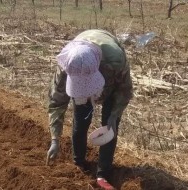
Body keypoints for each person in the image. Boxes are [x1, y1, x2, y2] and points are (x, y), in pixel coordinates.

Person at [46, 29, 133, 189]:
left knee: (109, 127)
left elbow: (124, 91)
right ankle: (78, 162)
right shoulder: (67, 66)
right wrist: (55, 139)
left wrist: (115, 114)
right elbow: (56, 102)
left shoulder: (115, 61)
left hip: (109, 79)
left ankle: (103, 174)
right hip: (84, 66)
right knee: (81, 118)